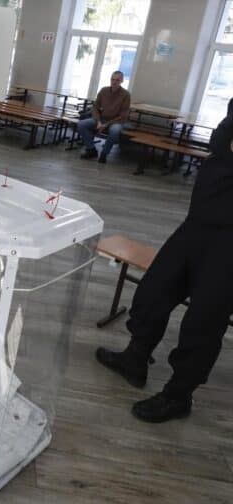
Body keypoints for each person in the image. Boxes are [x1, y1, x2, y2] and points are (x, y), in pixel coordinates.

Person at [96, 109, 233, 423]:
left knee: (204, 319)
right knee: (155, 289)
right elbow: (221, 140)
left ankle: (178, 395)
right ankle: (135, 358)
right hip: (198, 223)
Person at [78, 70, 130, 163]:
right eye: (112, 79)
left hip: (116, 121)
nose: (114, 82)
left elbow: (123, 115)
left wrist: (106, 124)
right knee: (82, 124)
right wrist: (98, 121)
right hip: (101, 119)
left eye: (117, 80)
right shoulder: (104, 90)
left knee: (114, 131)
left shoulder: (126, 94)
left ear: (122, 81)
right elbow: (95, 107)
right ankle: (91, 149)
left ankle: (104, 154)